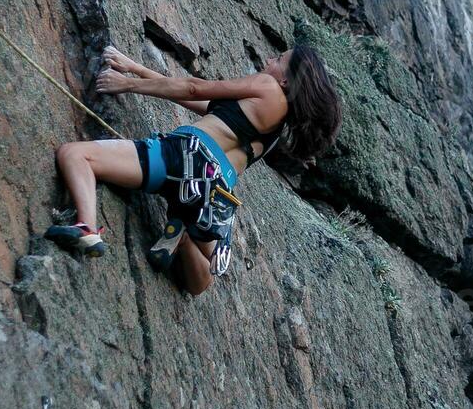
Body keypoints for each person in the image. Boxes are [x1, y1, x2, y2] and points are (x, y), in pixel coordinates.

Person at [45, 44, 342, 295]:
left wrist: (128, 84)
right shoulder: (275, 129)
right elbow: (195, 99)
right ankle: (184, 235)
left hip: (181, 158)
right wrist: (134, 68)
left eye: (278, 60)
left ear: (286, 82)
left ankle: (86, 227)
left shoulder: (266, 86)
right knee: (202, 280)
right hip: (210, 194)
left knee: (76, 155)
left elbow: (193, 87)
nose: (269, 61)